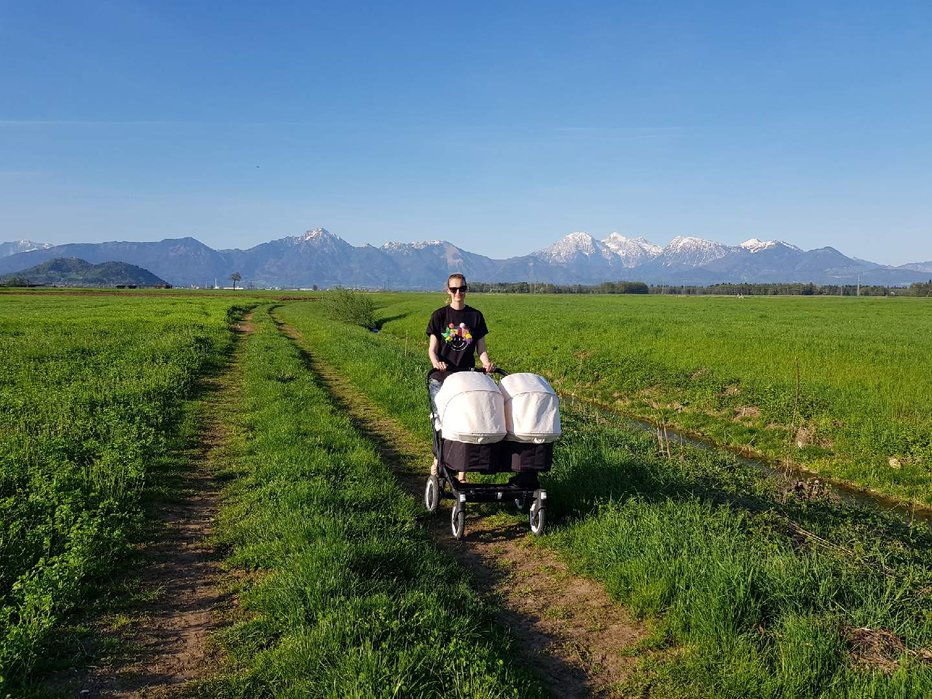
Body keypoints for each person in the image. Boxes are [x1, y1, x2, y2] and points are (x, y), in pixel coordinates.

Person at [427, 273, 495, 478]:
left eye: (462, 289)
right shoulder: (439, 316)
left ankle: (462, 473)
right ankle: (437, 460)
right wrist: (436, 363)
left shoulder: (475, 317)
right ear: (448, 291)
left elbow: (480, 349)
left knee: (467, 422)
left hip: (466, 379)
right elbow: (432, 349)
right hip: (442, 378)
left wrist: (486, 363)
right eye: (454, 289)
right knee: (442, 421)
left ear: (466, 290)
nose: (458, 293)